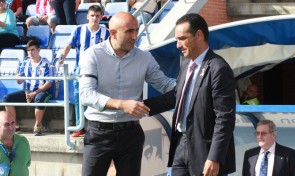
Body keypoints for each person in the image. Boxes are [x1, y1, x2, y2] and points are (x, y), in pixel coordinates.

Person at [79, 12, 175, 176]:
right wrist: (122, 105)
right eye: (129, 31)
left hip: (131, 135)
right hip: (98, 134)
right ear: (113, 33)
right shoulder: (92, 54)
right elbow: (86, 94)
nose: (135, 36)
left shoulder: (144, 57)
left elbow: (165, 84)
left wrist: (192, 82)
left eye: (136, 30)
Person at [144, 13, 236, 176]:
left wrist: (214, 157)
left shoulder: (218, 68)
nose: (178, 45)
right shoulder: (186, 63)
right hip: (180, 146)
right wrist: (142, 107)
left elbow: (225, 118)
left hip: (205, 151)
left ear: (199, 35)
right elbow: (176, 96)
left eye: (182, 38)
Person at [58, 4, 109, 137]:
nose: (94, 18)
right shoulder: (78, 30)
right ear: (87, 16)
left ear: (101, 17)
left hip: (100, 71)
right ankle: (80, 127)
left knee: (98, 98)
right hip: (80, 71)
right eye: (92, 15)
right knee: (79, 98)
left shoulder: (106, 32)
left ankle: (96, 127)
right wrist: (62, 57)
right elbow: (68, 45)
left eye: (97, 16)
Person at [3, 40, 53, 136]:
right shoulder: (25, 62)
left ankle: (37, 125)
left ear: (39, 50)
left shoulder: (46, 63)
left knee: (39, 98)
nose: (30, 52)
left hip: (43, 91)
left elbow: (49, 83)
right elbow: (20, 80)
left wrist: (34, 93)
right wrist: (18, 78)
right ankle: (15, 125)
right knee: (7, 99)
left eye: (33, 50)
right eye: (28, 50)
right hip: (28, 91)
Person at [0, 111, 31, 176]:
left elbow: (28, 163)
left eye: (13, 123)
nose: (11, 128)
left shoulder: (23, 141)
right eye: (7, 124)